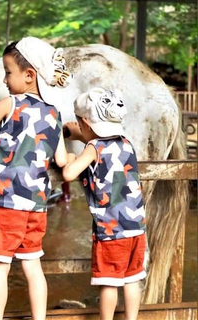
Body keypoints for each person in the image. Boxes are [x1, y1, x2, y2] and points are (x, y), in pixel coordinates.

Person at [0, 37, 72, 320]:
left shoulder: (9, 104)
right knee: (33, 266)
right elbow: (62, 161)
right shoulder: (54, 114)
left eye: (8, 71)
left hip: (4, 202)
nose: (4, 79)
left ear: (29, 75)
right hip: (36, 205)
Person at [62, 87, 146, 320]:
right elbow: (104, 148)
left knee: (109, 282)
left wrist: (70, 157)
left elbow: (69, 174)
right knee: (132, 279)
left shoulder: (92, 148)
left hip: (111, 231)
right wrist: (80, 135)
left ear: (86, 123)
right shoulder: (126, 143)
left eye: (79, 124)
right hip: (136, 226)